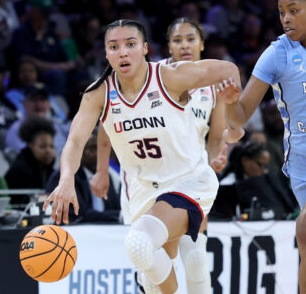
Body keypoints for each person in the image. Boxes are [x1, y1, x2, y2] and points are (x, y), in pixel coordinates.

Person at [43, 19, 241, 293]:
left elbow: (229, 69)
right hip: (142, 191)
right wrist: (66, 179)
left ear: (145, 48)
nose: (122, 52)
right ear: (106, 53)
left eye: (130, 45)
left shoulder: (169, 76)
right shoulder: (99, 93)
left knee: (141, 244)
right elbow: (75, 141)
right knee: (151, 282)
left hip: (187, 181)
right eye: (114, 46)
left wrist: (233, 106)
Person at [217, 0, 306, 293]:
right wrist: (229, 101)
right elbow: (239, 117)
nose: (285, 19)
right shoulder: (278, 53)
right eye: (282, 12)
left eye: (294, 11)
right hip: (303, 169)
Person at [46, 132, 121, 224]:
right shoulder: (64, 176)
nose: (87, 152)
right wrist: (120, 215)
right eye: (84, 148)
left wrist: (122, 214)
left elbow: (116, 206)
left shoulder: (105, 175)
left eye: (94, 147)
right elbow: (80, 214)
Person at [5, 116, 56, 207]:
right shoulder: (19, 170)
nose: (48, 151)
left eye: (51, 146)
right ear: (31, 145)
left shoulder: (51, 171)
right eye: (42, 146)